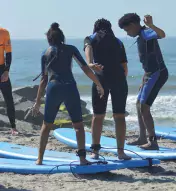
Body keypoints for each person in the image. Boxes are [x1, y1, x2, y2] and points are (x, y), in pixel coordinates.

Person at [32, 23, 104, 165]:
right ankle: (82, 159)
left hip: (53, 88)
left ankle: (39, 159)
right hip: (69, 87)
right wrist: (98, 83)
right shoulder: (71, 49)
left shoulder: (45, 53)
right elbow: (86, 69)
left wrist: (37, 101)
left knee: (46, 125)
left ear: (49, 39)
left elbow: (43, 80)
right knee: (78, 125)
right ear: (62, 37)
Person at [118, 14, 168, 150]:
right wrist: (144, 78)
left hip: (157, 73)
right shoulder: (141, 35)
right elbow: (147, 62)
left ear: (134, 25)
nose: (127, 33)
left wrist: (151, 25)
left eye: (127, 30)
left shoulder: (146, 32)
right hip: (149, 74)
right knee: (139, 104)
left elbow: (162, 35)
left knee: (144, 106)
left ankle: (153, 142)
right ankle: (142, 138)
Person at [84, 18, 131, 160]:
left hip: (101, 79)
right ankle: (121, 152)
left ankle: (95, 152)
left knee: (98, 116)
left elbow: (88, 48)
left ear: (95, 28)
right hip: (119, 79)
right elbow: (125, 68)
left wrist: (90, 63)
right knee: (119, 116)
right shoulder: (118, 41)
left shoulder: (90, 38)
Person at [0, 27, 18, 135]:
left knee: (9, 99)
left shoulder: (4, 32)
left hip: (1, 70)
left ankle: (13, 127)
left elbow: (8, 54)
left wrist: (6, 71)